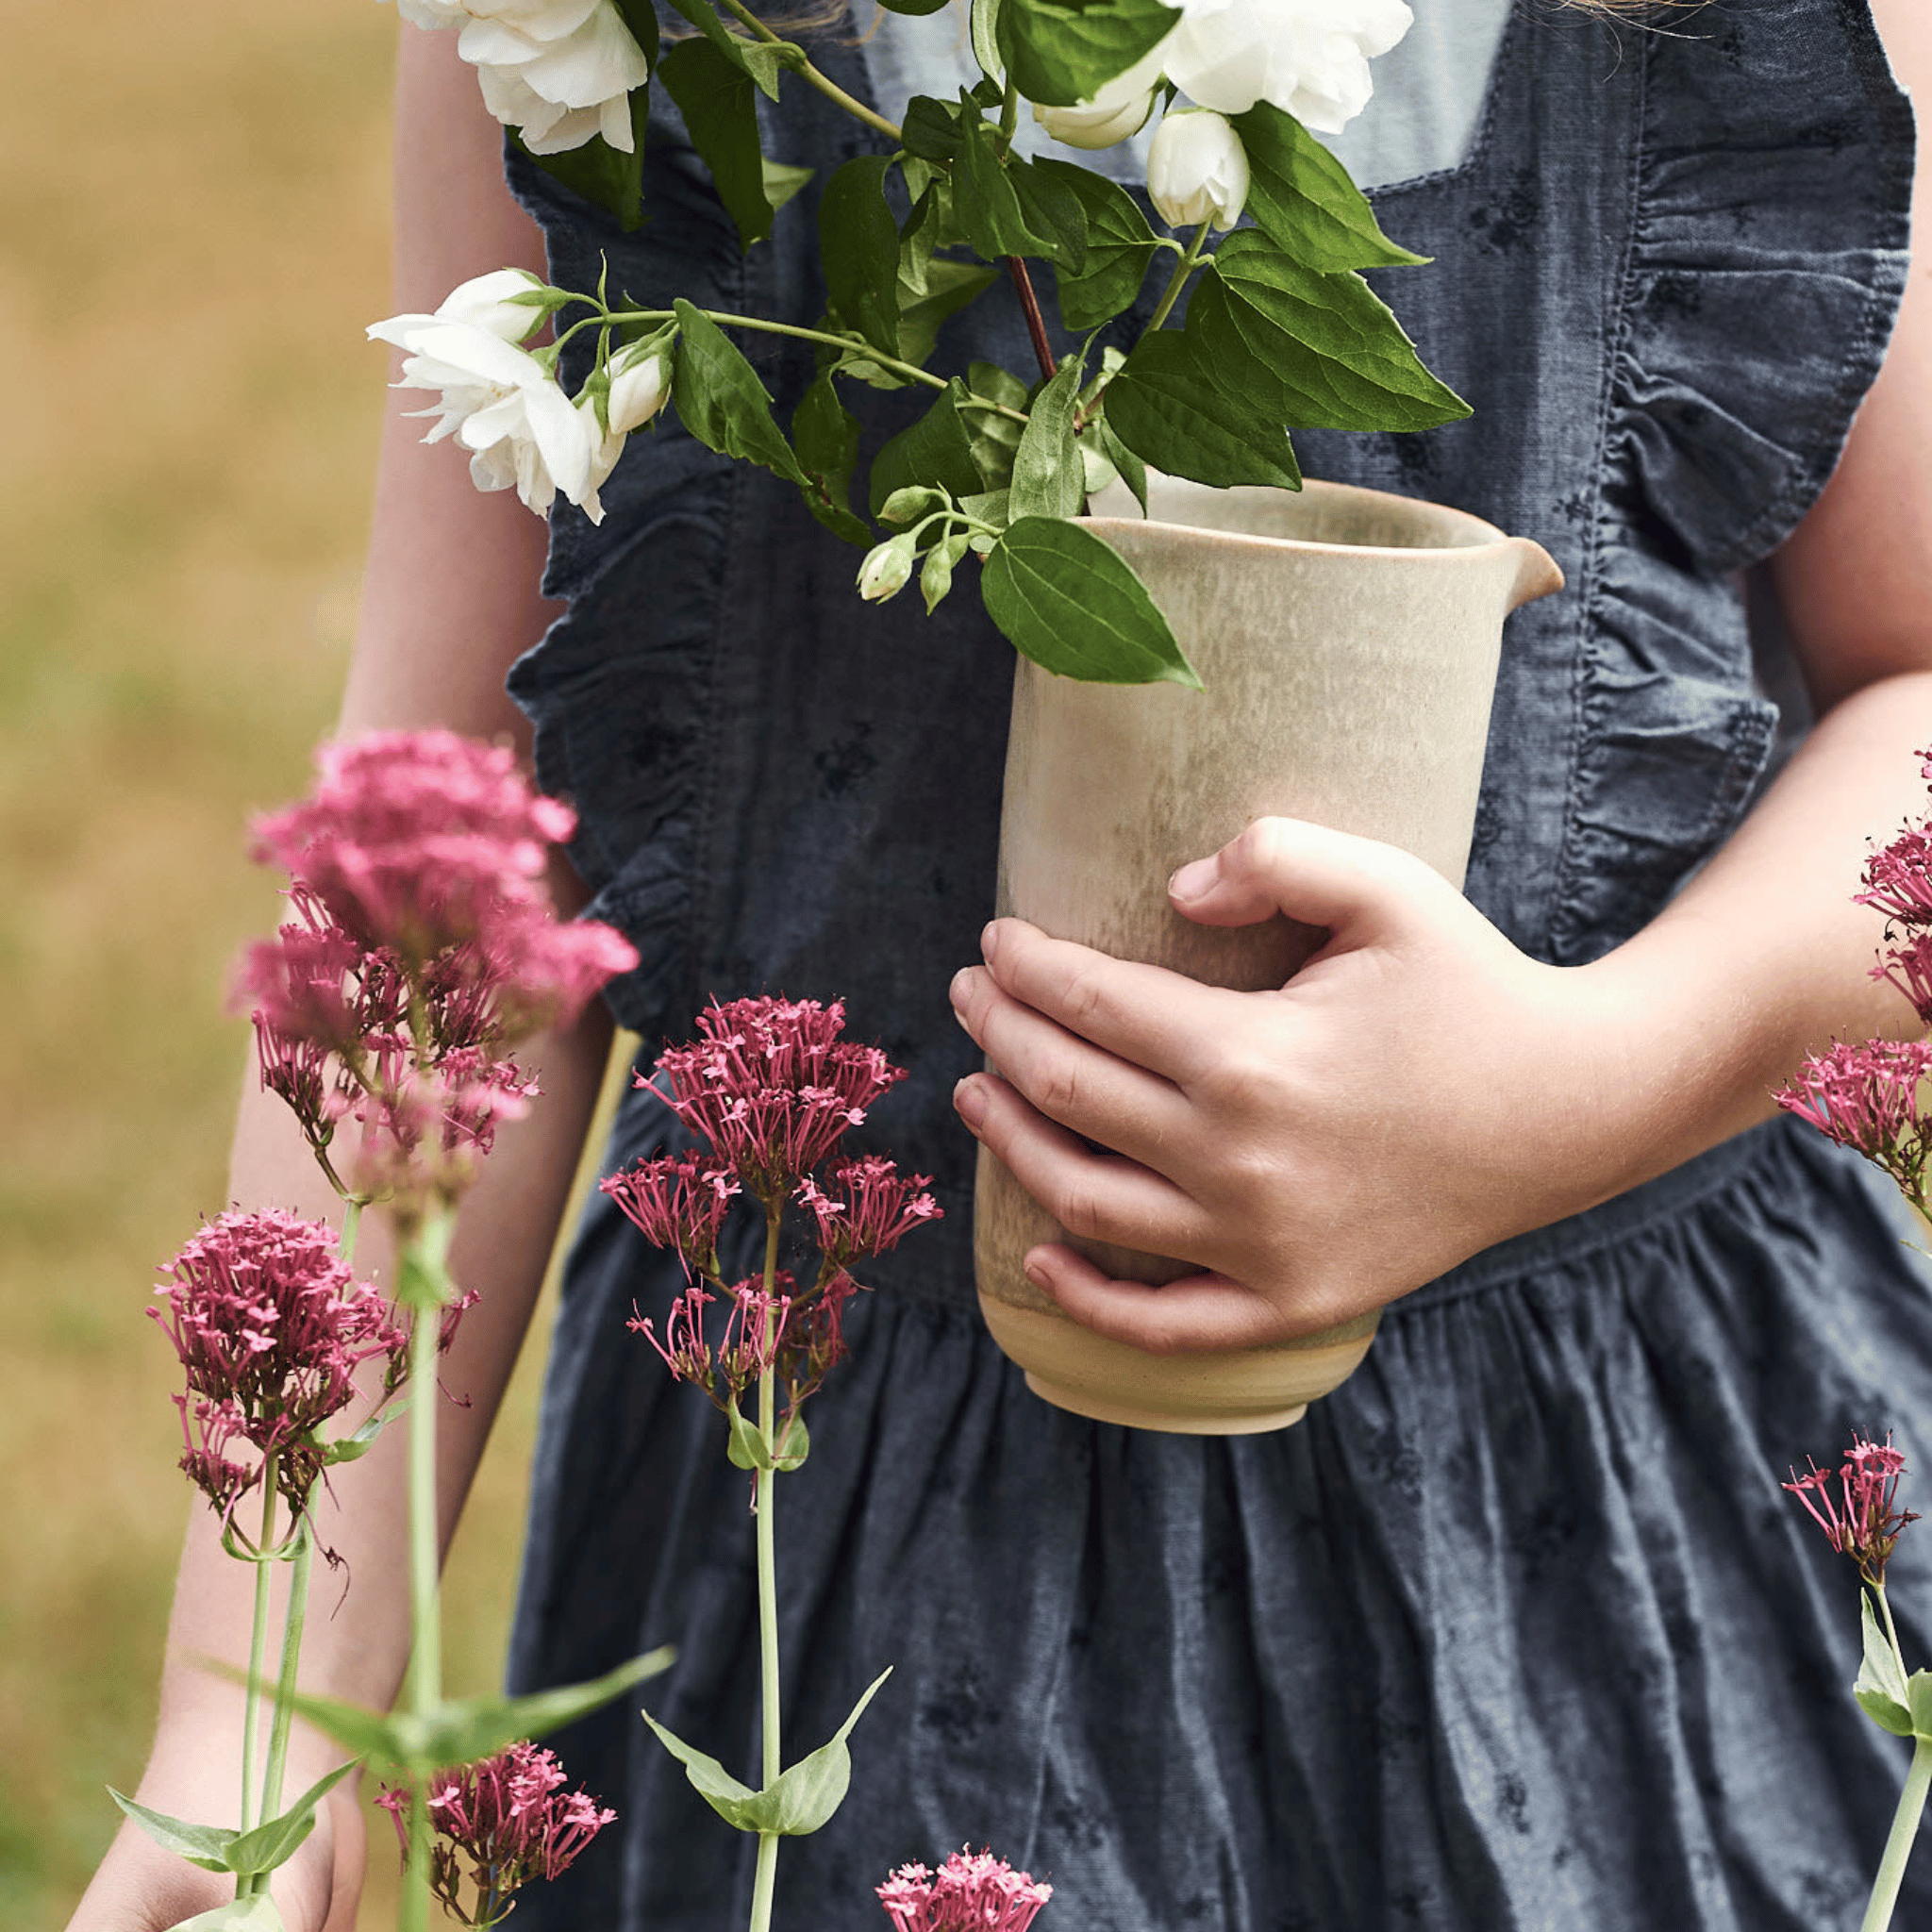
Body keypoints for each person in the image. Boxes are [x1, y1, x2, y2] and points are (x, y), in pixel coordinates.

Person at [70, 0, 1932, 1925]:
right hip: (842, 1538)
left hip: (1608, 1532)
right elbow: (454, 841)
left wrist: (1581, 1079)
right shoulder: (602, 33)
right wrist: (270, 1704)